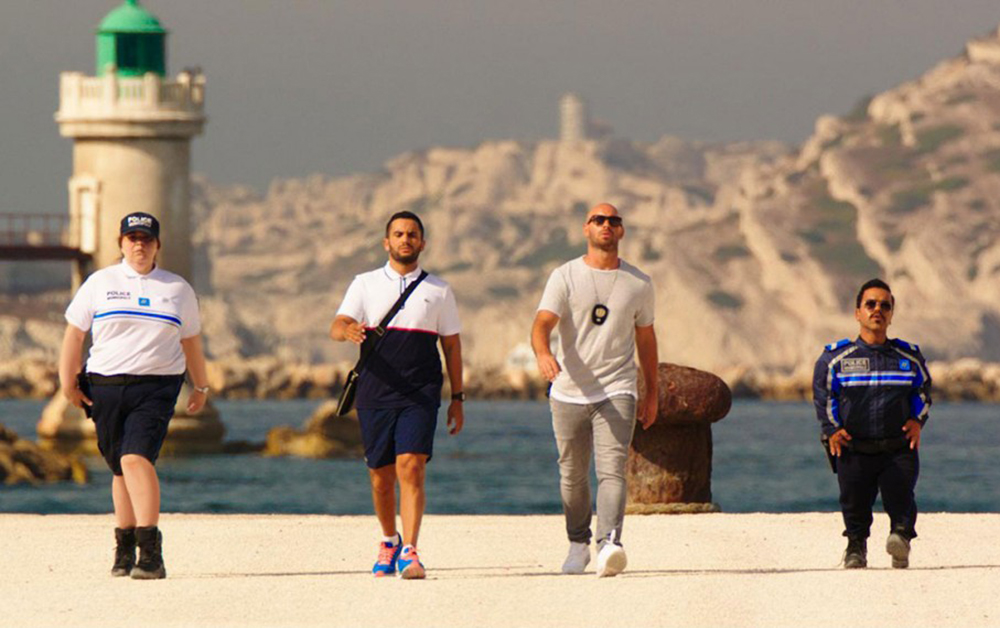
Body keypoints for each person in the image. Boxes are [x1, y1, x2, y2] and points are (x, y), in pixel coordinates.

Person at [58, 212, 209, 580]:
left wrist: (201, 386)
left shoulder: (177, 288)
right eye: (132, 238)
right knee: (118, 465)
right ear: (121, 244)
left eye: (146, 239)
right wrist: (67, 381)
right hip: (105, 385)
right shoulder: (100, 282)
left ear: (157, 245)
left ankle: (151, 553)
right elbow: (75, 334)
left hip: (157, 386)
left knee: (135, 457)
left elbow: (191, 340)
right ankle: (124, 548)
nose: (139, 245)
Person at [330, 210, 464, 579]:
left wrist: (458, 398)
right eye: (399, 234)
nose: (406, 239)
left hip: (420, 392)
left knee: (412, 466)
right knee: (380, 476)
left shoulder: (439, 290)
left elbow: (452, 347)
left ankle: (410, 550)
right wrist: (348, 330)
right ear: (386, 242)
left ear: (423, 243)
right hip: (375, 391)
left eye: (412, 234)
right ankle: (389, 539)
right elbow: (337, 325)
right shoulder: (365, 283)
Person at [531, 202, 658, 578]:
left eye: (613, 220)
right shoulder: (565, 276)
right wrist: (543, 354)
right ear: (586, 228)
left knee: (612, 470)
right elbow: (542, 323)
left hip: (617, 389)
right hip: (568, 391)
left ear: (621, 231)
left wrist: (652, 392)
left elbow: (646, 340)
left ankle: (609, 544)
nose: (606, 225)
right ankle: (577, 543)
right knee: (572, 475)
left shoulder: (639, 283)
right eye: (598, 219)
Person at [812, 278, 931, 569]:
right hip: (854, 447)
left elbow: (923, 391)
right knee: (854, 502)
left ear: (891, 315)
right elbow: (824, 395)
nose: (878, 310)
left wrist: (917, 421)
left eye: (885, 306)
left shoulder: (909, 357)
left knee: (901, 497)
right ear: (858, 313)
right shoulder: (835, 359)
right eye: (871, 304)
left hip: (898, 447)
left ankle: (900, 539)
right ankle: (856, 547)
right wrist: (832, 429)